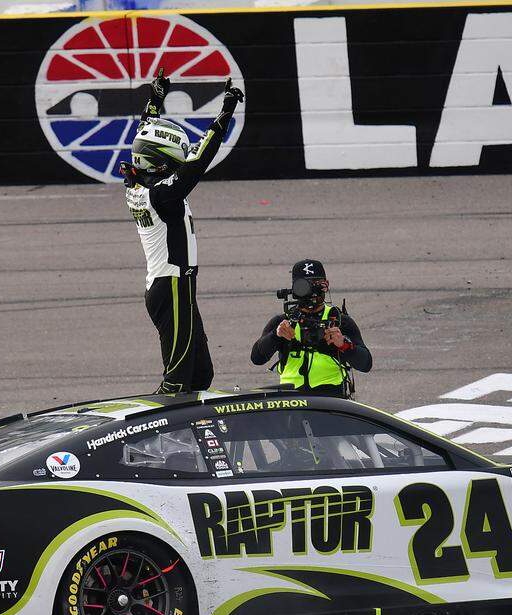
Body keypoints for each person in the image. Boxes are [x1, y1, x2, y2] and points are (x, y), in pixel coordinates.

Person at [121, 71, 244, 394]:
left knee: (201, 374)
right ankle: (154, 437)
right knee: (176, 381)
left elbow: (146, 132)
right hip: (171, 287)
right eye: (171, 164)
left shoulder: (143, 180)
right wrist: (225, 114)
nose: (177, 168)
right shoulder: (163, 195)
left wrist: (156, 98)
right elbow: (198, 162)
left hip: (177, 287)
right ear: (160, 165)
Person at [250, 259, 372, 398]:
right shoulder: (283, 322)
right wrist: (275, 335)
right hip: (291, 397)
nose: (313, 292)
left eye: (319, 285)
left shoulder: (339, 321)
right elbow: (257, 358)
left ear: (326, 285)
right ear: (295, 289)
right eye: (306, 286)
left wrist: (344, 344)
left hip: (331, 397)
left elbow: (366, 364)